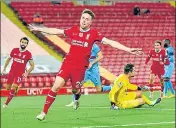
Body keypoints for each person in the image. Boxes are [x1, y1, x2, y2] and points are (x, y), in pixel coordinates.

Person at [29, 9, 142, 121]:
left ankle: (77, 97)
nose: (83, 20)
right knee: (56, 86)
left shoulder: (94, 33)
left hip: (80, 68)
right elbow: (57, 31)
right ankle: (43, 112)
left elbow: (110, 42)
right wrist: (39, 29)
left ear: (90, 22)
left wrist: (128, 49)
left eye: (87, 19)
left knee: (75, 90)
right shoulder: (73, 30)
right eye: (82, 18)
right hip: (68, 63)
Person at [2, 37, 35, 108]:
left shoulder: (28, 54)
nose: (23, 44)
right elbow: (8, 59)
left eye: (25, 43)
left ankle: (6, 103)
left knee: (13, 87)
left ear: (27, 44)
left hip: (20, 74)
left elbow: (32, 65)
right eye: (22, 42)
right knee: (8, 88)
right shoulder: (14, 50)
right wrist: (4, 68)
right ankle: (16, 88)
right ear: (20, 42)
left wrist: (27, 73)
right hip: (12, 72)